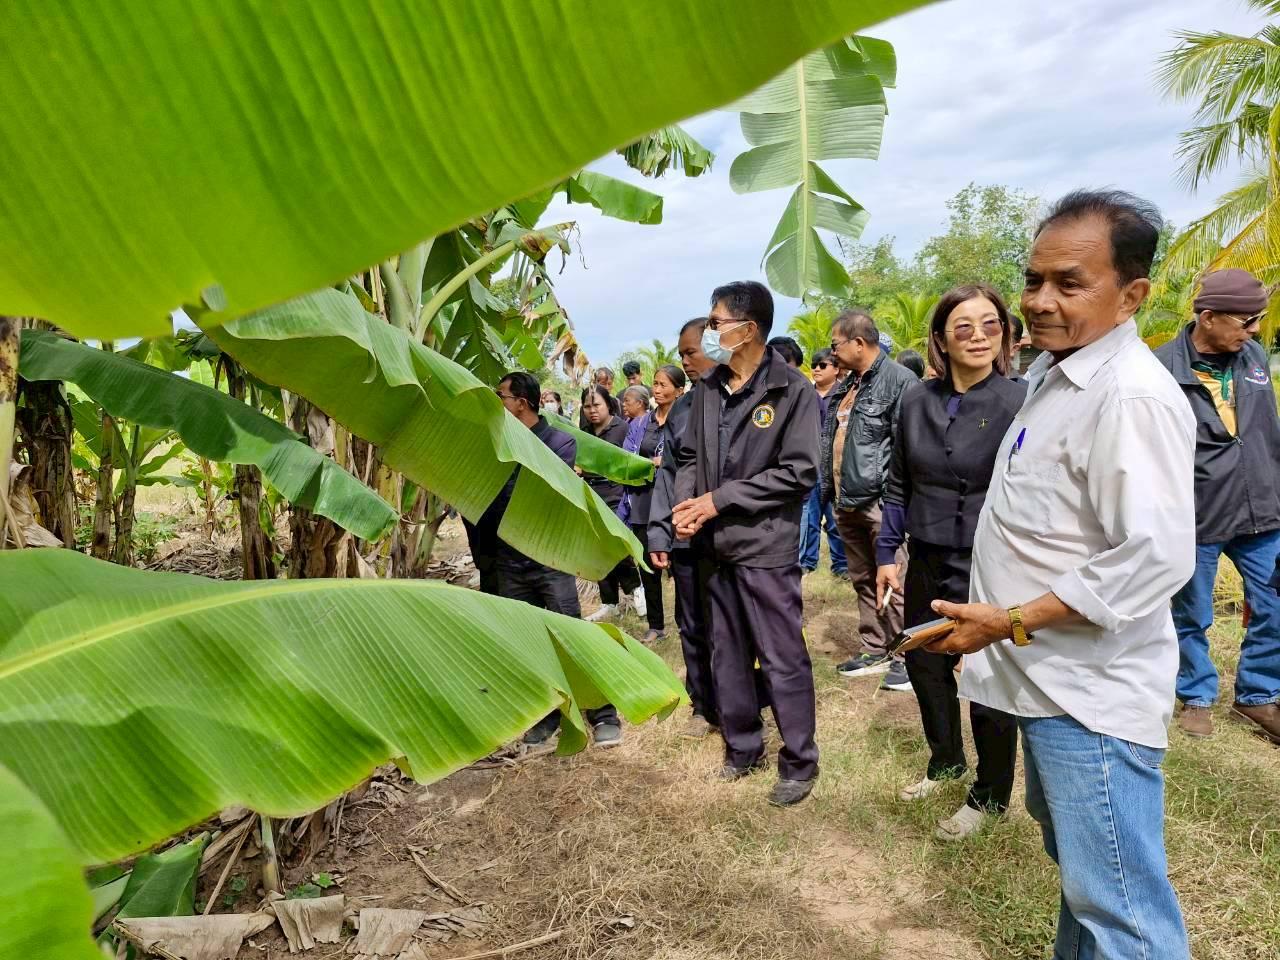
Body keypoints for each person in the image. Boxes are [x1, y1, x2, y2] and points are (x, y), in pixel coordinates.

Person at [932, 190, 1195, 958]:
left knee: (1121, 910)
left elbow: (1156, 555)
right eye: (1034, 279)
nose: (1040, 301)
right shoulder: (1058, 373)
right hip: (1051, 686)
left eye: (1069, 284)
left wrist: (1011, 620)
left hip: (1092, 697)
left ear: (1132, 295)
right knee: (1086, 883)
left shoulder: (1130, 396)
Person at [876, 284, 1025, 841]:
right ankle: (945, 761)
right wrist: (889, 552)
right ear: (940, 338)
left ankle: (989, 795)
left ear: (1005, 334)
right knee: (924, 660)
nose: (979, 335)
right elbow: (899, 481)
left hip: (992, 557)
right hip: (928, 550)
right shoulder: (915, 399)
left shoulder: (1019, 400)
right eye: (964, 326)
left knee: (985, 674)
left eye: (991, 324)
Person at [671, 281, 821, 807]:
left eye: (715, 324)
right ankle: (742, 749)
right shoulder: (709, 390)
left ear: (747, 329)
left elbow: (799, 473)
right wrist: (688, 506)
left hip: (766, 546)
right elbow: (688, 456)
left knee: (781, 656)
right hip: (714, 546)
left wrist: (720, 499)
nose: (708, 333)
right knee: (726, 653)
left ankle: (799, 761)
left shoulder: (791, 391)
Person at [1155, 268, 1280, 744]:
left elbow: (1265, 427)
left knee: (1275, 604)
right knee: (1192, 613)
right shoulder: (1161, 368)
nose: (1254, 331)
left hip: (1263, 509)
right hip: (1198, 515)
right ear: (1208, 318)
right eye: (1247, 321)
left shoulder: (1253, 357)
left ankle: (1258, 695)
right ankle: (1198, 694)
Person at [487, 372, 622, 748]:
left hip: (549, 556)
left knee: (570, 634)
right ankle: (548, 715)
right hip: (509, 556)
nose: (498, 402)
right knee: (530, 640)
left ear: (522, 403)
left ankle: (602, 712)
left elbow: (541, 490)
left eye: (502, 396)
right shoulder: (497, 441)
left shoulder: (559, 442)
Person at [822, 309, 916, 691]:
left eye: (835, 344)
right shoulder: (848, 385)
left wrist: (893, 499)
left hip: (881, 502)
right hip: (847, 500)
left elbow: (906, 449)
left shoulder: (899, 382)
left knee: (893, 579)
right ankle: (875, 647)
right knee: (863, 578)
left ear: (858, 343)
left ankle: (907, 655)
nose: (831, 352)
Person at [649, 319, 720, 738]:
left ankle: (742, 702)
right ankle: (702, 703)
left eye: (691, 353)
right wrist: (660, 533)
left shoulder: (742, 401)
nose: (685, 362)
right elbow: (668, 475)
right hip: (687, 538)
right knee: (691, 623)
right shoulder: (685, 409)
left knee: (731, 625)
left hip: (731, 537)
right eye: (681, 355)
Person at [580, 384, 645, 622]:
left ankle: (636, 589)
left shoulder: (622, 429)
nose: (592, 410)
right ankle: (609, 602)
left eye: (596, 405)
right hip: (591, 492)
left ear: (608, 405)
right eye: (587, 406)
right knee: (597, 547)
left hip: (616, 493)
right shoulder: (584, 431)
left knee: (616, 545)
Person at [622, 378, 674, 643]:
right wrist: (651, 463)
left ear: (679, 390)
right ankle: (656, 625)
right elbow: (627, 459)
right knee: (648, 567)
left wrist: (662, 462)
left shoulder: (685, 418)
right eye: (655, 383)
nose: (658, 389)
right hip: (643, 502)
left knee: (680, 566)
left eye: (664, 384)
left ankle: (690, 621)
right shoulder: (640, 424)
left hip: (675, 500)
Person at [799, 348, 848, 577]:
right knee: (810, 516)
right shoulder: (804, 393)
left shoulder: (844, 395)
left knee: (835, 518)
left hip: (836, 466)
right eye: (814, 364)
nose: (817, 369)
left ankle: (841, 565)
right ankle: (808, 561)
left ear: (837, 369)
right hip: (809, 465)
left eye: (823, 365)